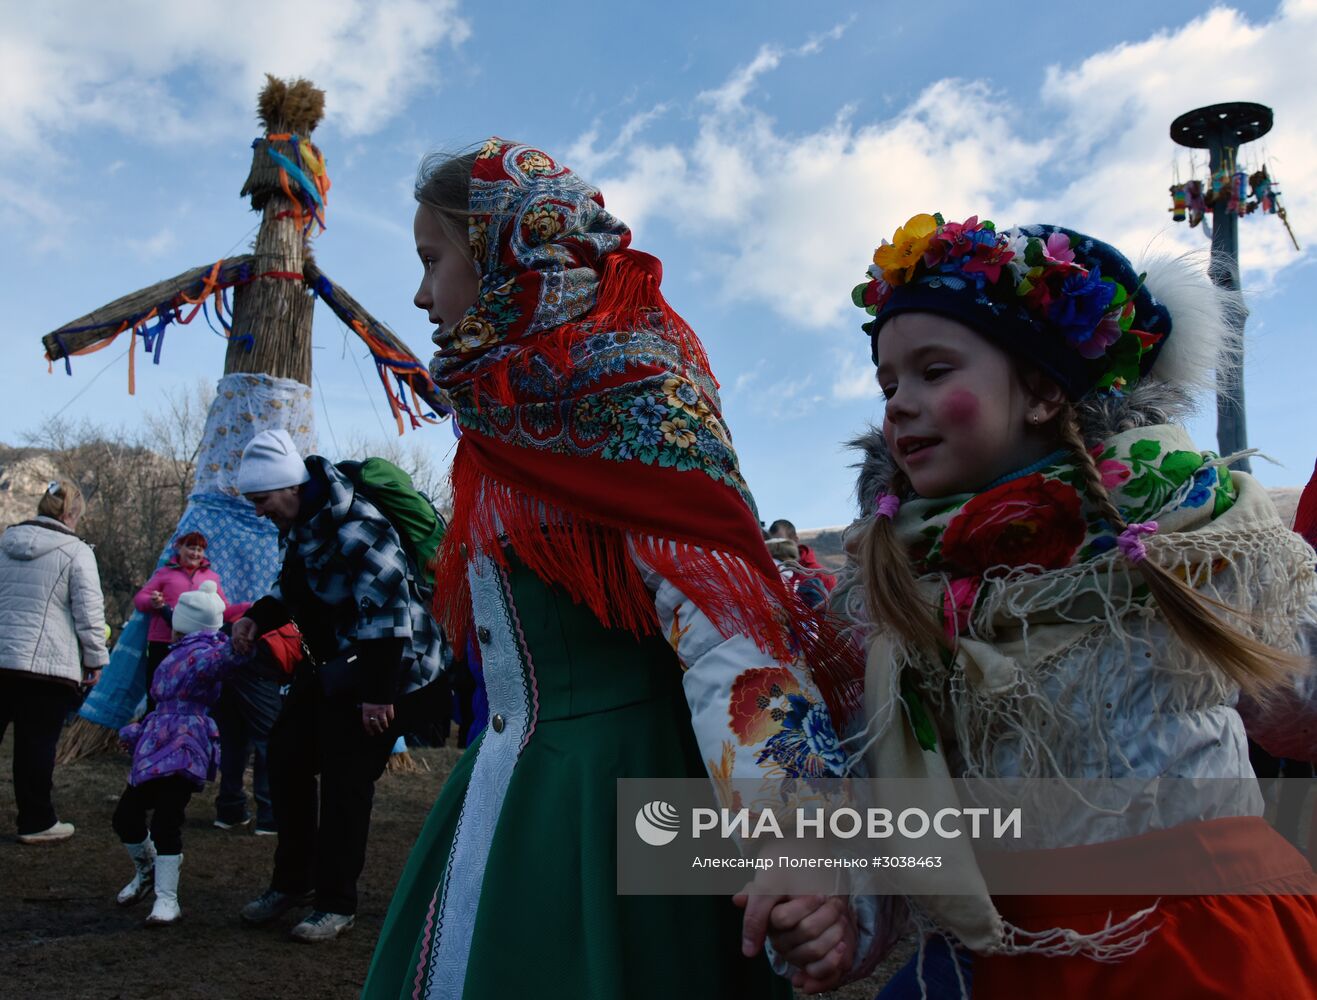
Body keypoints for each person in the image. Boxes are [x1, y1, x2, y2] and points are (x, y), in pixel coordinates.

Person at [360, 139, 872, 1000]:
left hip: (614, 809)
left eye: (432, 260)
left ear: (498, 256)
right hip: (510, 795)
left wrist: (795, 844)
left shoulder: (634, 396)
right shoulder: (501, 416)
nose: (419, 294)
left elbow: (733, 642)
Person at [781, 213, 1317, 997]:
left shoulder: (1196, 538)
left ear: (1039, 389)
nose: (896, 404)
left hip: (1201, 944)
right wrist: (844, 915)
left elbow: (1299, 694)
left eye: (933, 371)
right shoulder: (897, 591)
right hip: (1016, 953)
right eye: (888, 383)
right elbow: (897, 800)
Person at [231, 428, 446, 944]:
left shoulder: (358, 525)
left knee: (347, 780)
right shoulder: (303, 523)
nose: (260, 511)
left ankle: (335, 903)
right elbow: (296, 583)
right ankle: (293, 883)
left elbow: (390, 612)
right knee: (285, 756)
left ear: (288, 487)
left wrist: (378, 695)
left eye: (261, 501)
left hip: (395, 668)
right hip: (338, 662)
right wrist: (256, 618)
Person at [112, 580, 246, 925]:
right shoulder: (177, 651)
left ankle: (167, 897)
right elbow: (160, 702)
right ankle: (148, 869)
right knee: (126, 815)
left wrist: (246, 635)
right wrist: (140, 729)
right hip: (156, 739)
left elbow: (227, 658)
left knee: (166, 818)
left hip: (186, 744)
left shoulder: (207, 653)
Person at [0, 479, 108, 843]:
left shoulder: (4, 542)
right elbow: (90, 615)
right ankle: (36, 822)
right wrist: (95, 659)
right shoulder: (76, 552)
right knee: (36, 746)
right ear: (70, 513)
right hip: (46, 666)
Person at [133, 532, 240, 706]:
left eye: (200, 549)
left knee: (187, 690)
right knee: (155, 691)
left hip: (196, 644)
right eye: (191, 547)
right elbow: (140, 600)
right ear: (179, 548)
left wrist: (247, 610)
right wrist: (153, 601)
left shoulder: (211, 578)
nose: (195, 553)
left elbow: (223, 609)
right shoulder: (165, 573)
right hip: (163, 641)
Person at [767, 518, 837, 593]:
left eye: (780, 542)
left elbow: (835, 603)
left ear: (795, 540)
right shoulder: (771, 574)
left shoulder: (822, 575)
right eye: (770, 543)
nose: (774, 548)